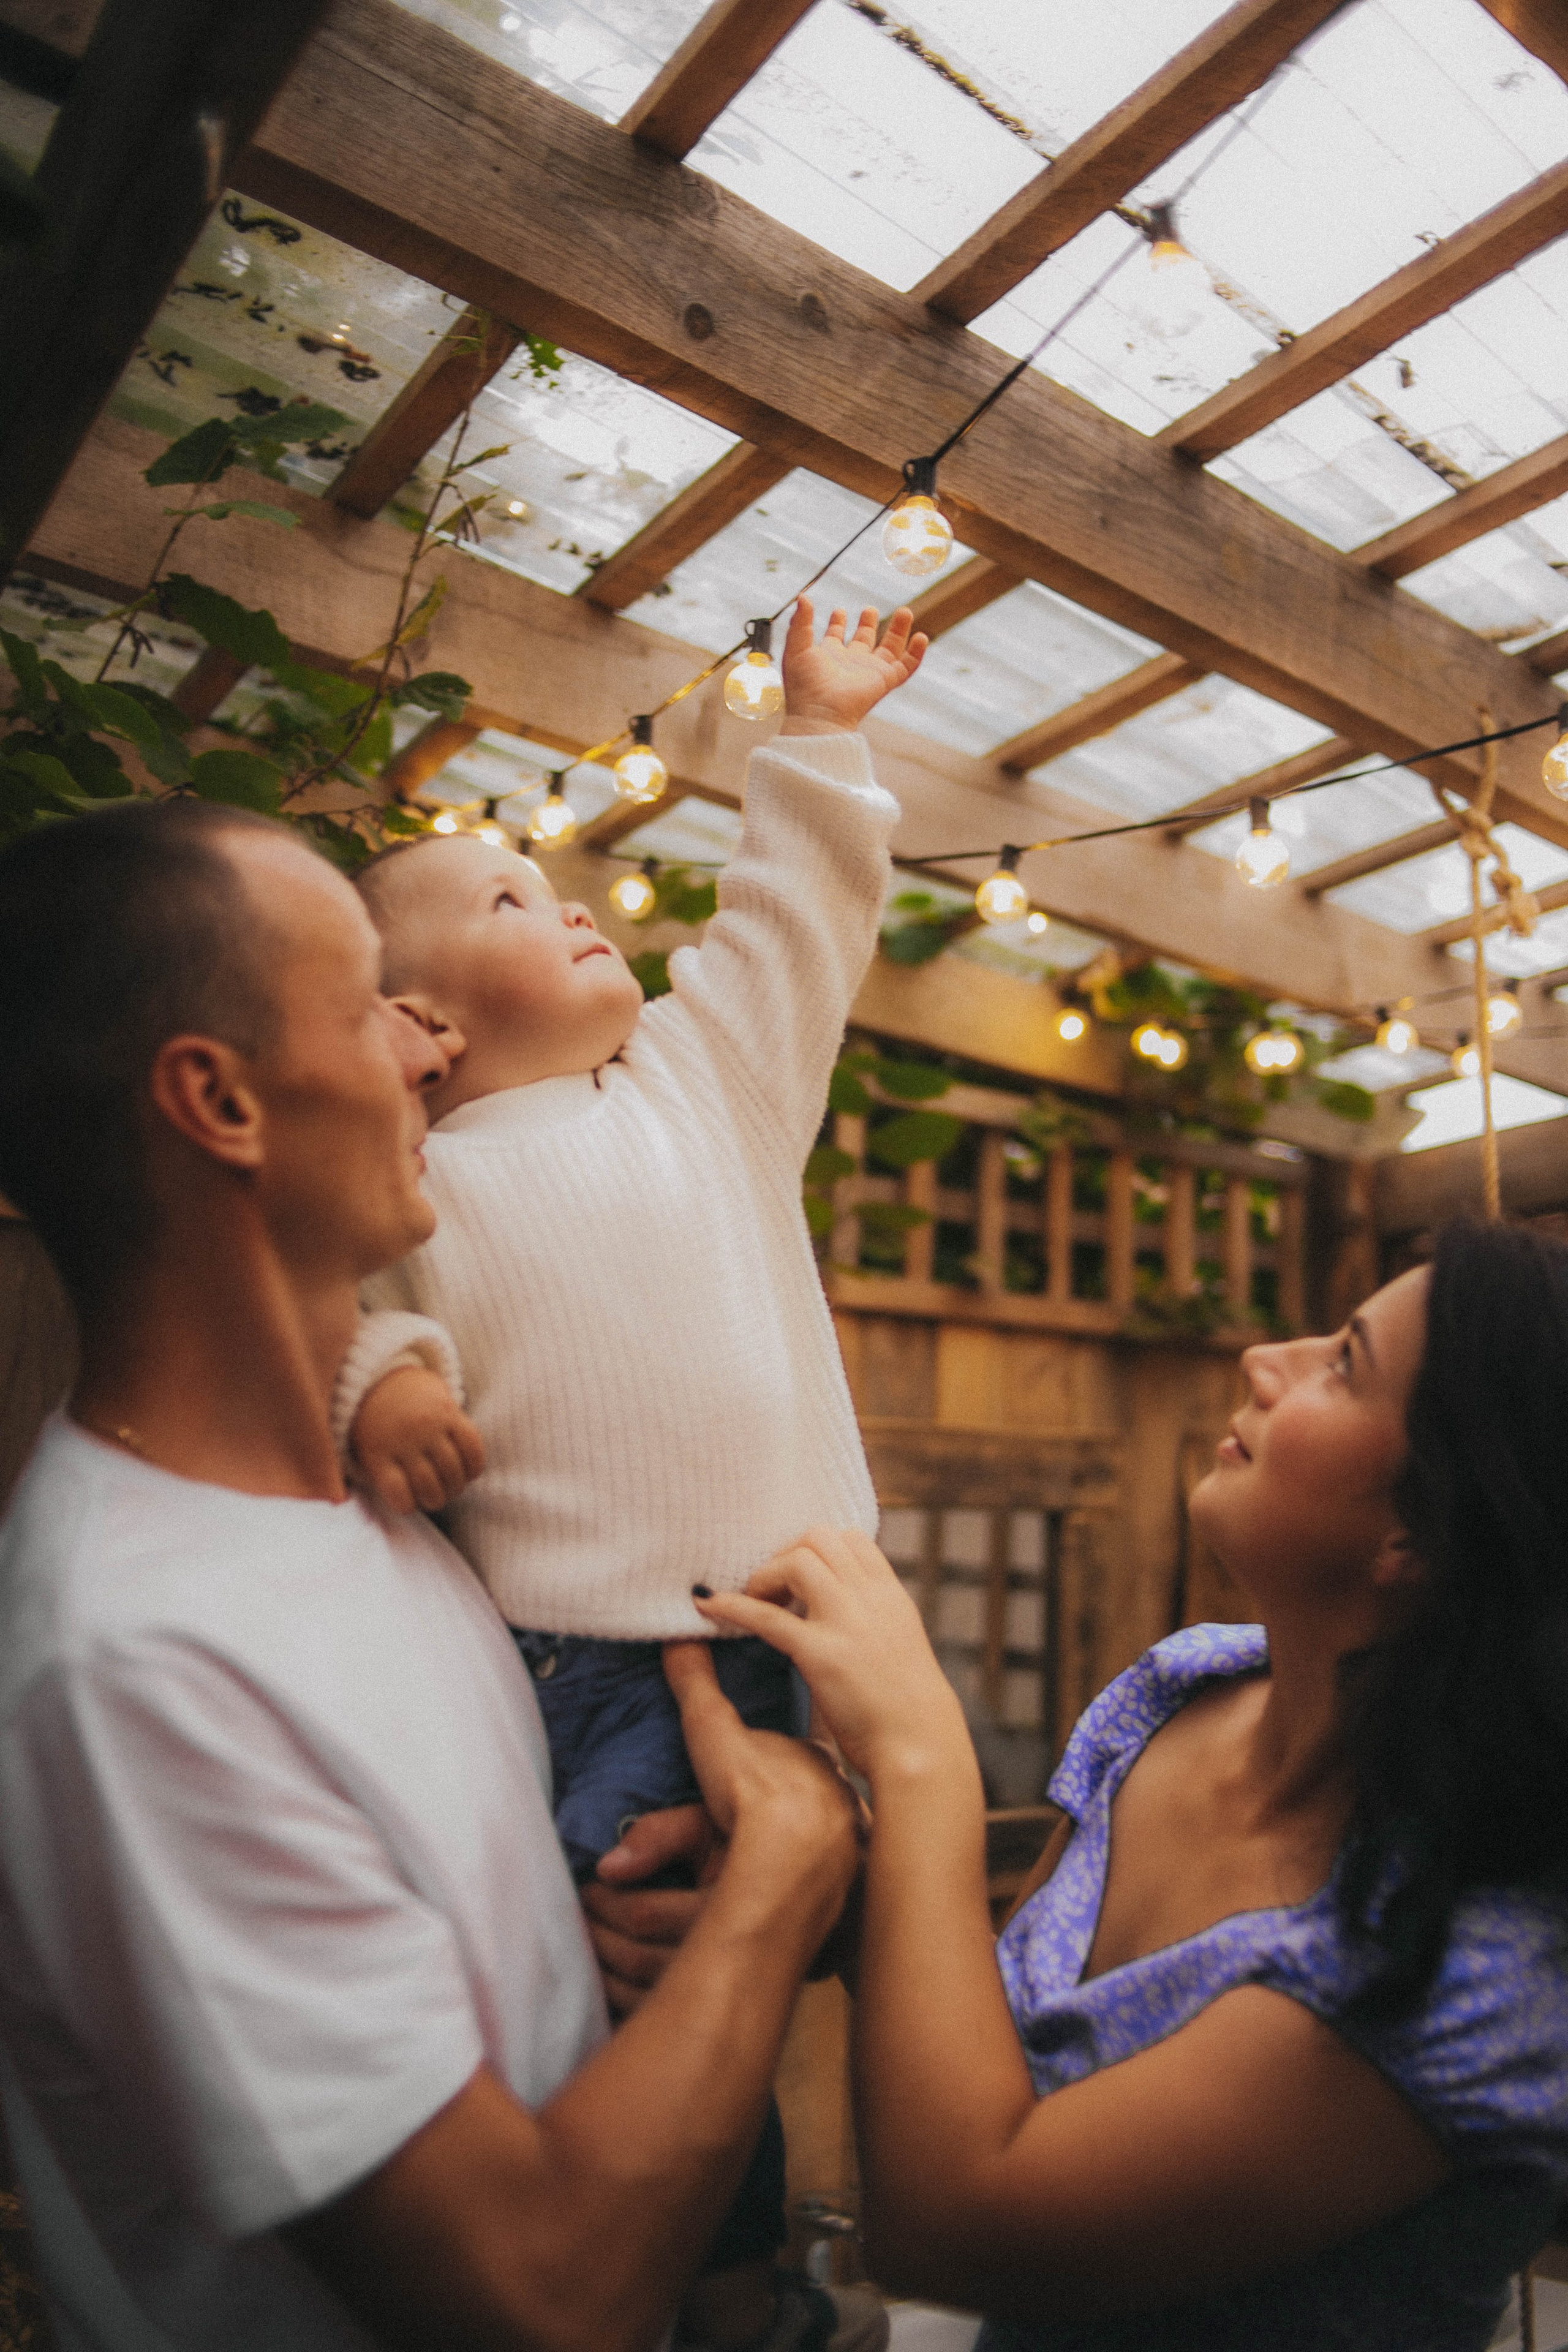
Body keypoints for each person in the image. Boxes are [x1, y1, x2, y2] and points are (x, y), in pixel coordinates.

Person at [0, 796, 863, 2352]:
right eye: (372, 1008)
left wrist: (686, 1916)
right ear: (222, 1102)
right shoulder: (137, 1664)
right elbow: (530, 2297)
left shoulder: (403, 1524)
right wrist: (784, 1884)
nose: (426, 1051)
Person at [331, 598, 925, 2352]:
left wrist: (816, 733)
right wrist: (388, 1390)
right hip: (574, 1665)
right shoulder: (412, 1177)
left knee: (743, 1962)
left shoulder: (703, 1086)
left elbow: (793, 928)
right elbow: (355, 1320)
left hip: (797, 1623)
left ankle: (737, 2274)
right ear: (419, 1018)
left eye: (557, 881)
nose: (573, 900)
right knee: (637, 1971)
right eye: (510, 902)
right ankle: (707, 2277)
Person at [695, 1223, 1568, 2351]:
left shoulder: (1475, 1969)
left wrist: (920, 1757)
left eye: (1343, 1363)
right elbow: (997, 2052)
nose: (1268, 1357)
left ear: (1420, 1532)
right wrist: (813, 1882)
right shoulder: (1184, 1685)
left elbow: (958, 2227)